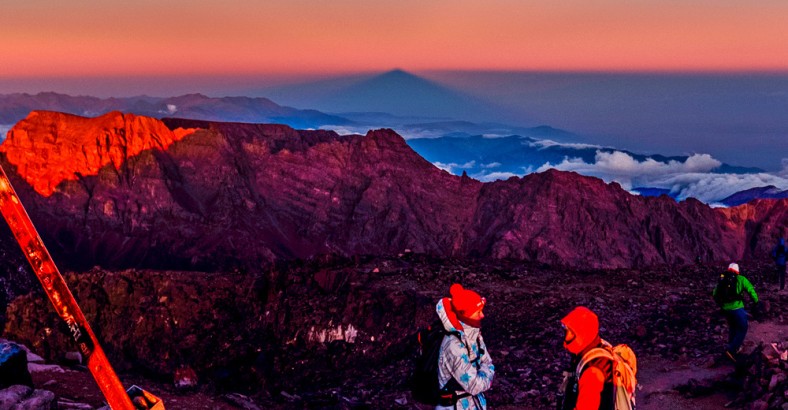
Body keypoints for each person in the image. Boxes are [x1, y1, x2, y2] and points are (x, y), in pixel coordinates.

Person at [434, 283, 494, 410]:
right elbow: (474, 386)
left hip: (472, 404)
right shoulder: (453, 345)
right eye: (478, 312)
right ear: (465, 314)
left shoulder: (475, 335)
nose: (482, 315)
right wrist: (487, 373)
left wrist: (482, 374)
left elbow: (488, 362)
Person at [557, 306, 614, 410]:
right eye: (565, 331)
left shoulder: (592, 372)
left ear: (582, 334)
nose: (566, 337)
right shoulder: (593, 350)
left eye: (570, 332)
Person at [712, 262, 758, 363]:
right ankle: (731, 349)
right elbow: (750, 290)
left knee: (732, 327)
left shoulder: (723, 279)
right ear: (737, 271)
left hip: (725, 309)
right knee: (743, 327)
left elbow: (715, 293)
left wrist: (722, 305)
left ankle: (732, 346)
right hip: (737, 308)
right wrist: (756, 301)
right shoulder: (741, 279)